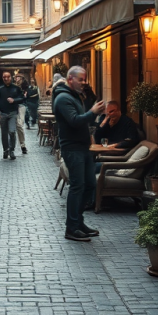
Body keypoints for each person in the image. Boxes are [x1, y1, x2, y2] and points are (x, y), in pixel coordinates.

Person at [53, 66, 105, 241]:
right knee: (77, 186)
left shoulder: (76, 96)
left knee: (90, 185)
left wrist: (90, 98)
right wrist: (92, 113)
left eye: (85, 79)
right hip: (72, 148)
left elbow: (86, 112)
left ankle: (79, 222)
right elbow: (75, 121)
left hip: (83, 147)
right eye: (81, 80)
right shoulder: (62, 98)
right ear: (70, 79)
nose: (84, 82)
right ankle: (72, 227)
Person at [0, 71, 26, 159]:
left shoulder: (16, 88)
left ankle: (12, 150)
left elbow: (22, 99)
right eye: (4, 77)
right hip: (2, 113)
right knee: (4, 133)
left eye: (8, 77)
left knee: (12, 131)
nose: (6, 79)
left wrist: (14, 100)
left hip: (13, 113)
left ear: (11, 77)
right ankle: (5, 150)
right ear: (2, 78)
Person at [14, 76, 30, 154]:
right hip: (12, 107)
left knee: (19, 125)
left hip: (21, 106)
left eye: (19, 78)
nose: (17, 79)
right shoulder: (12, 87)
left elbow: (26, 98)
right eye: (16, 78)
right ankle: (11, 147)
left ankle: (23, 145)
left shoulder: (26, 88)